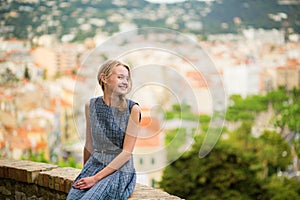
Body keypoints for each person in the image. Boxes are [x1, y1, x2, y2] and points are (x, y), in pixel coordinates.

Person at [67, 60, 141, 200]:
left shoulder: (133, 109)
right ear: (104, 78)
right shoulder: (91, 105)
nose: (125, 81)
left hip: (119, 169)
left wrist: (95, 179)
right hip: (94, 165)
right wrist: (85, 173)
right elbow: (89, 145)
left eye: (127, 78)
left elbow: (127, 153)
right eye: (120, 77)